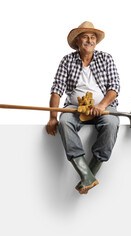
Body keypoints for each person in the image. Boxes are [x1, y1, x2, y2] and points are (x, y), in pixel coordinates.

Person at [46, 21, 120, 194]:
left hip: (104, 106)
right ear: (77, 42)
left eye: (92, 37)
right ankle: (86, 175)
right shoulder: (67, 60)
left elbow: (114, 87)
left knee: (111, 124)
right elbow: (57, 90)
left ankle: (88, 175)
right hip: (75, 107)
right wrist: (52, 117)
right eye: (85, 37)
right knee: (65, 122)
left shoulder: (106, 58)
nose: (89, 40)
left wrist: (101, 106)